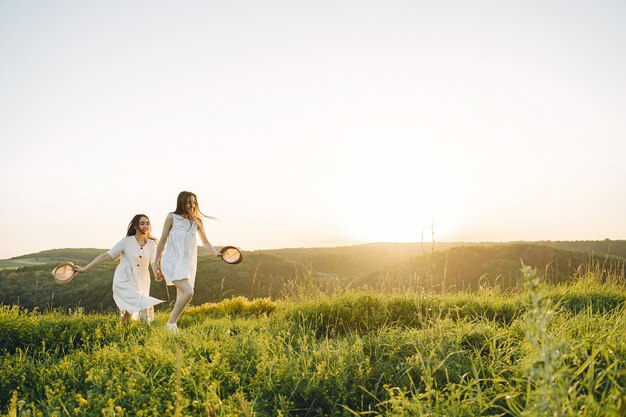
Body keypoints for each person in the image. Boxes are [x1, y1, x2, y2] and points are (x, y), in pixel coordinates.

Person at [74, 214, 164, 323]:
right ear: (135, 226)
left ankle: (122, 328)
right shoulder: (126, 242)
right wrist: (84, 269)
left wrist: (157, 273)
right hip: (125, 280)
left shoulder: (151, 244)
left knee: (128, 312)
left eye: (147, 223)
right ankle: (147, 333)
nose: (145, 226)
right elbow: (106, 256)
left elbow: (154, 262)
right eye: (142, 223)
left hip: (142, 281)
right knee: (143, 305)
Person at [155, 191, 221, 333]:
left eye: (194, 202)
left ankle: (173, 328)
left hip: (187, 264)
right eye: (188, 202)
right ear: (181, 202)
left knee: (182, 297)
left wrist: (216, 252)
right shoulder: (172, 217)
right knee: (188, 292)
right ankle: (170, 324)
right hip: (171, 262)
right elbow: (162, 242)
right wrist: (156, 263)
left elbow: (205, 242)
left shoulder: (197, 221)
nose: (192, 205)